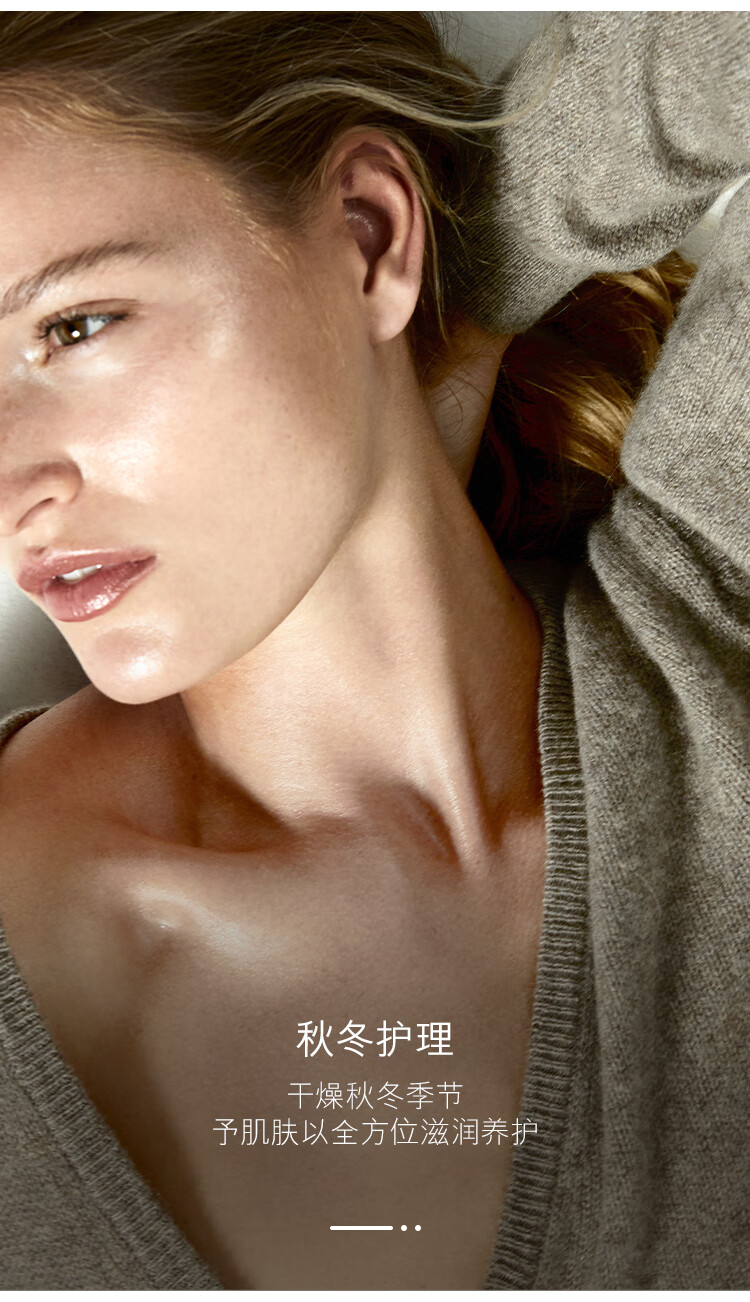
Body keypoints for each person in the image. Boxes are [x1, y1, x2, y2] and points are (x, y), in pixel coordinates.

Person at [0, 10, 747, 1291]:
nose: (14, 483)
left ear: (365, 226)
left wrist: (443, 281)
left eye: (74, 326)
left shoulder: (713, 645)